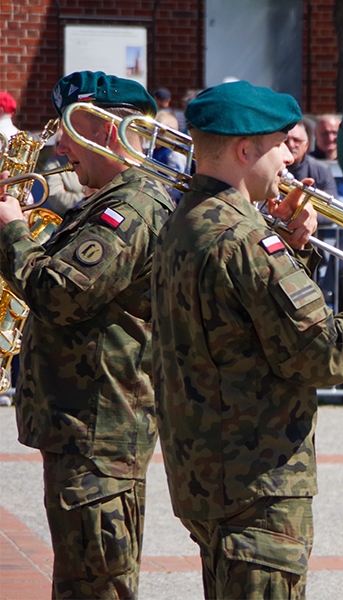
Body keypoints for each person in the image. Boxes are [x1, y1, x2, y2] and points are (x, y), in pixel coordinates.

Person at [151, 80, 343, 600]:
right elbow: (325, 354)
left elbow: (247, 325)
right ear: (245, 151)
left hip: (207, 474)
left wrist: (294, 250)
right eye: (280, 146)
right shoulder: (246, 239)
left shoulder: (184, 220)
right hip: (257, 486)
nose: (289, 163)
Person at [0, 70, 174, 598]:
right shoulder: (113, 199)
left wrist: (10, 228)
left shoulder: (131, 205)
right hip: (88, 428)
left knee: (95, 586)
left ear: (102, 130)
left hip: (100, 432)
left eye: (68, 129)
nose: (58, 144)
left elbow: (60, 293)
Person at [285, 121, 337, 197]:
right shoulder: (273, 168)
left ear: (306, 145)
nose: (291, 145)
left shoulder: (322, 170)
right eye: (285, 141)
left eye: (296, 140)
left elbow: (330, 204)